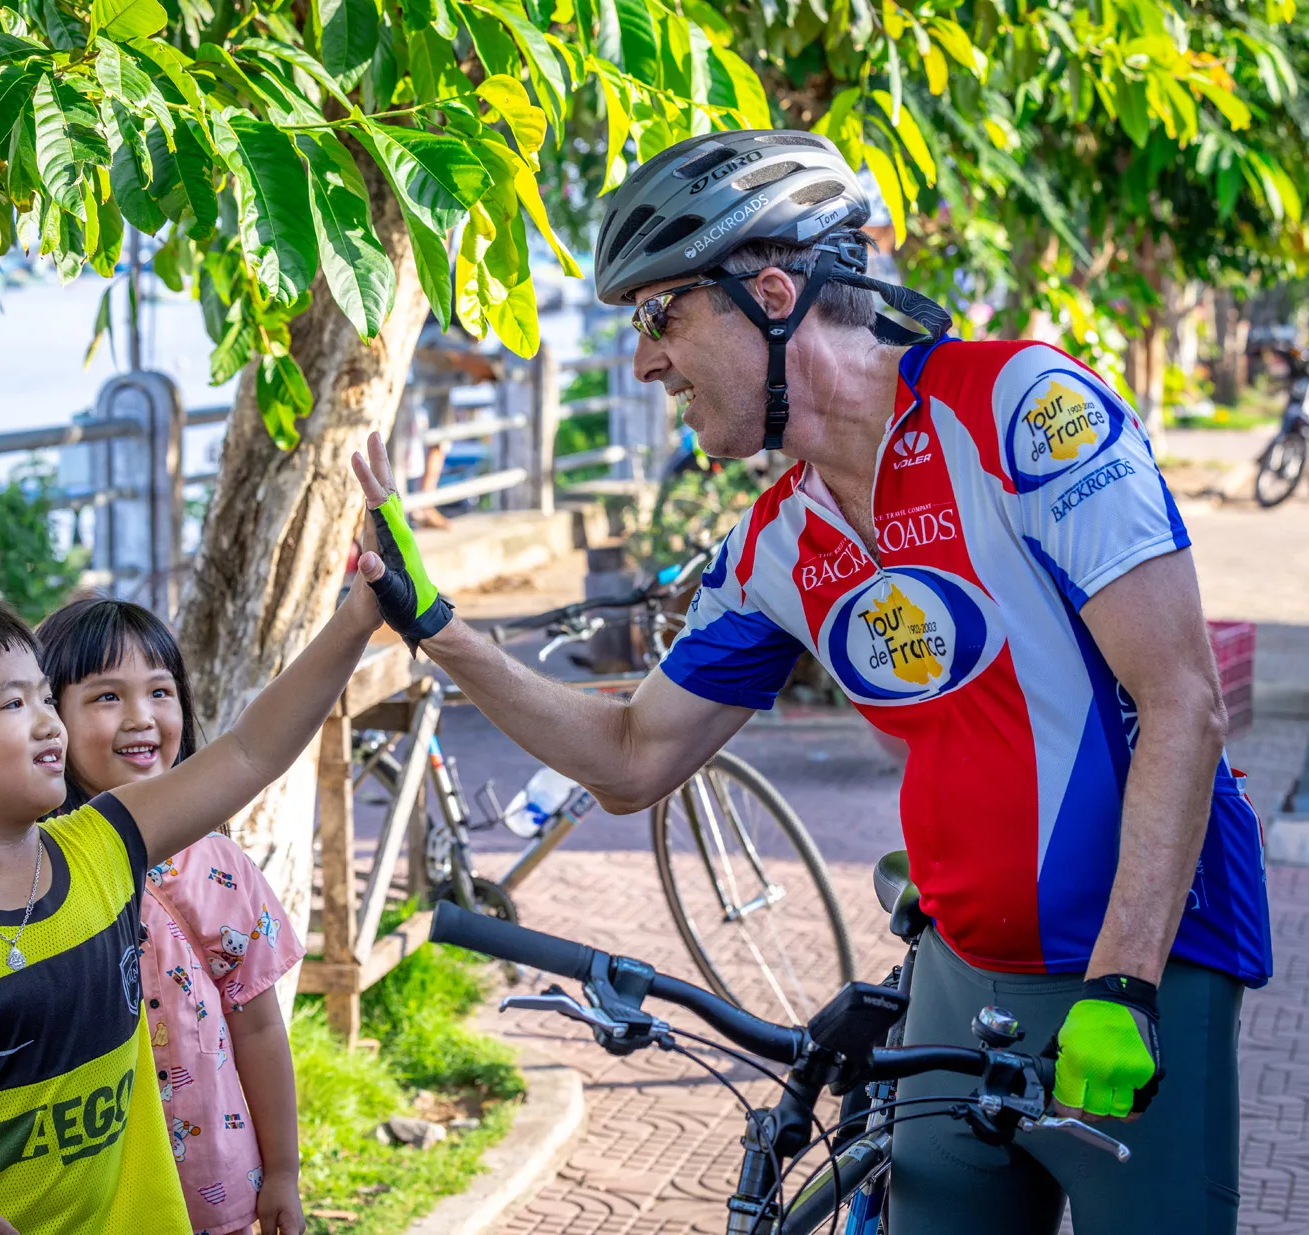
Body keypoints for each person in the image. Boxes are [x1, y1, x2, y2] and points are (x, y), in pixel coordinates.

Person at [351, 129, 1271, 1235]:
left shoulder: (1024, 410)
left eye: (660, 315)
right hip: (959, 968)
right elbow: (635, 754)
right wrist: (443, 629)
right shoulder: (771, 547)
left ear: (772, 293)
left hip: (1143, 964)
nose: (645, 360)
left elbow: (1181, 697)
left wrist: (1121, 983)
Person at [0, 584, 380, 1235]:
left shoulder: (109, 844)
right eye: (13, 702)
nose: (48, 721)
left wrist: (359, 615)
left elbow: (251, 750)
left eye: (45, 697)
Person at [35, 597, 306, 1235]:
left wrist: (285, 1171)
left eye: (161, 691)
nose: (141, 718)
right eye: (105, 697)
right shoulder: (33, 873)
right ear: (51, 723)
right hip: (89, 1200)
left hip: (217, 1193)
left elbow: (261, 1031)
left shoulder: (218, 867)